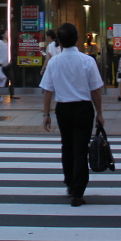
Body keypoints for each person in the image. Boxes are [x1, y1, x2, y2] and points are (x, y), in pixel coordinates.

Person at [40, 23, 104, 207]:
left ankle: (69, 182)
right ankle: (78, 191)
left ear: (59, 42)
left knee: (67, 146)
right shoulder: (87, 61)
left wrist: (46, 114)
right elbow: (96, 90)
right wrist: (99, 113)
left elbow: (47, 91)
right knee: (81, 149)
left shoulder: (54, 62)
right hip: (83, 108)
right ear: (77, 39)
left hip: (63, 109)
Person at [0, 28, 17, 100]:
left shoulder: (8, 42)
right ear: (2, 35)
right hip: (1, 64)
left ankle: (12, 94)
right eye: (6, 33)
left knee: (11, 78)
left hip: (8, 64)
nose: (8, 35)